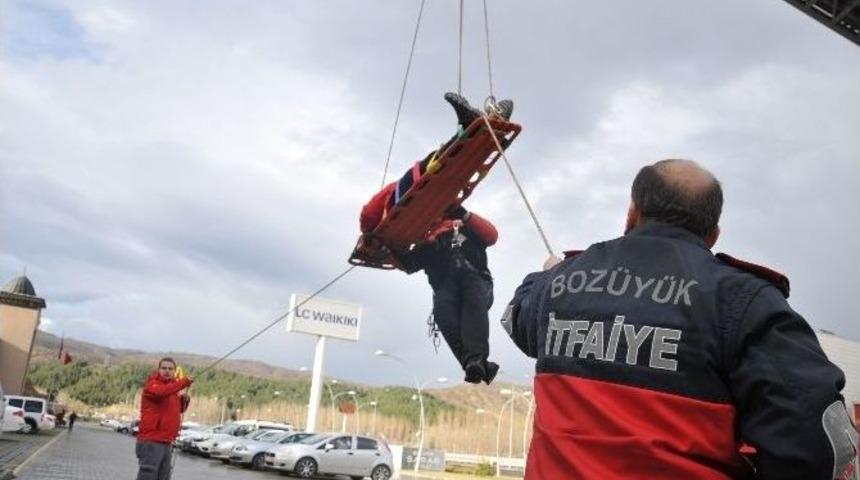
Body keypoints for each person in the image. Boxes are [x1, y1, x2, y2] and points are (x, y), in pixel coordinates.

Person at [502, 159, 858, 480]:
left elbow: (515, 318)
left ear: (632, 213)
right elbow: (818, 442)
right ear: (713, 234)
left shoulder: (561, 283)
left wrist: (552, 274)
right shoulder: (745, 302)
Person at [360, 93, 511, 384]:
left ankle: (476, 358)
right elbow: (409, 264)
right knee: (443, 311)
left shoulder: (462, 223)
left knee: (473, 296)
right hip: (446, 286)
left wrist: (463, 215)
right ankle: (475, 364)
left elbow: (492, 236)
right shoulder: (428, 241)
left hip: (476, 279)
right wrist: (390, 247)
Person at [136, 357, 193, 480]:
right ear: (158, 370)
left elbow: (179, 410)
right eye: (164, 368)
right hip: (151, 440)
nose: (167, 371)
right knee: (148, 475)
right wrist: (183, 382)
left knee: (164, 477)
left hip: (167, 441)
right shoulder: (152, 385)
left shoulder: (173, 389)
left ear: (174, 371)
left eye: (170, 369)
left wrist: (185, 400)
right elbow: (161, 393)